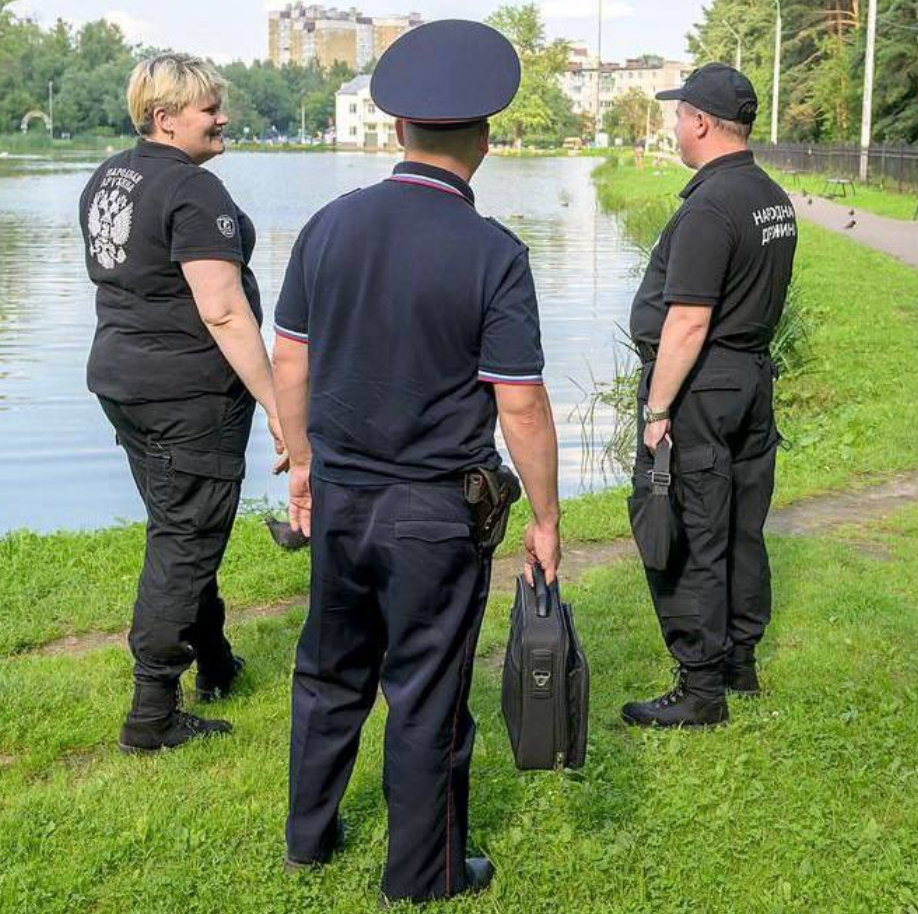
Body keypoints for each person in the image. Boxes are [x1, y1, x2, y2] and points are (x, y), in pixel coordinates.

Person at [272, 20, 562, 904]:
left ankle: (308, 842)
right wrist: (547, 520)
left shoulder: (327, 226)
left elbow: (292, 360)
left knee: (328, 675)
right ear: (486, 138)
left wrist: (300, 467)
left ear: (397, 130)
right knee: (426, 694)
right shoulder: (492, 254)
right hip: (434, 513)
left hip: (342, 497)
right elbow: (518, 401)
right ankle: (423, 876)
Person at [79, 53, 286, 754]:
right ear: (165, 119)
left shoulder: (114, 174)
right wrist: (279, 405)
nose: (222, 117)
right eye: (208, 109)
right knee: (185, 537)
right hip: (186, 394)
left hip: (124, 381)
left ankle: (217, 663)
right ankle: (152, 711)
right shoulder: (194, 193)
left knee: (181, 524)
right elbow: (224, 311)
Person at [620, 63, 797, 729]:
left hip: (700, 389)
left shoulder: (710, 206)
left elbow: (687, 320)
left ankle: (699, 689)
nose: (672, 126)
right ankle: (737, 661)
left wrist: (658, 408)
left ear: (698, 121)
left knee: (689, 530)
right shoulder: (768, 195)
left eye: (676, 115)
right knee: (738, 527)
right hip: (749, 381)